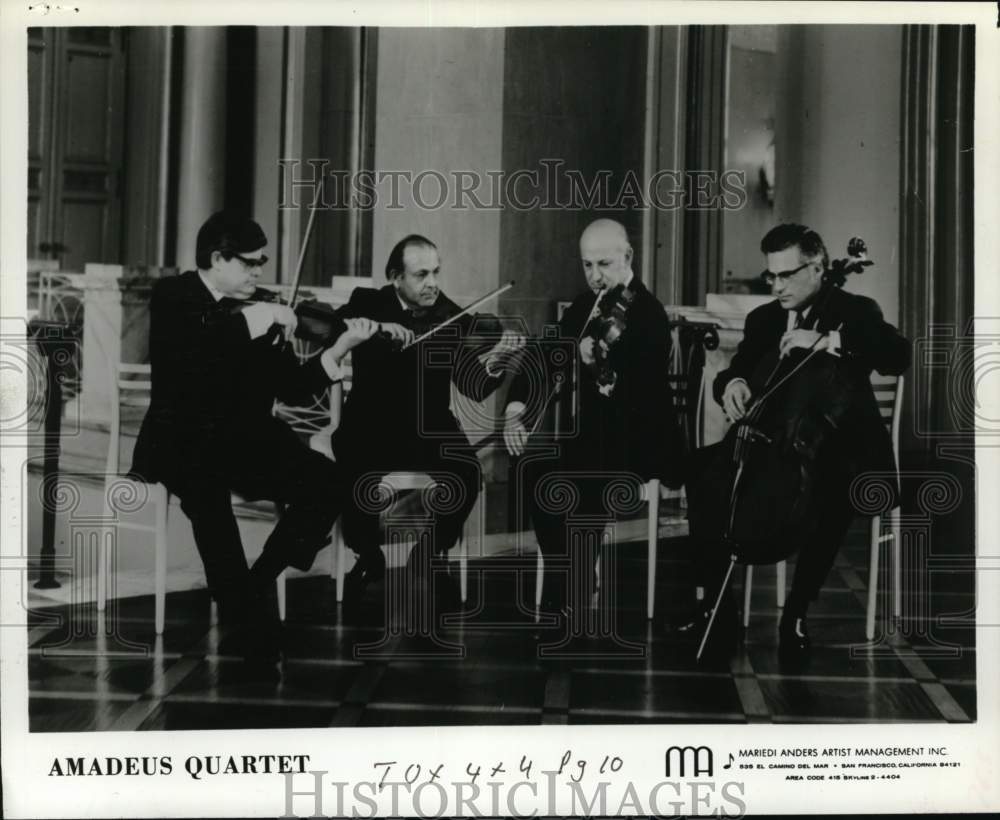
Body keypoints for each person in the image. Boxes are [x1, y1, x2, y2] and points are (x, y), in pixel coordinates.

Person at [131, 211, 394, 676]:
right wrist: (262, 315)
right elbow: (197, 347)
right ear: (217, 259)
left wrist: (338, 349)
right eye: (249, 263)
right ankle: (246, 614)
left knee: (328, 481)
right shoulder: (175, 295)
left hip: (244, 437)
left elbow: (292, 386)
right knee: (208, 498)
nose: (258, 273)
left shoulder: (261, 309)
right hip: (184, 440)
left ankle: (256, 583)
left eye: (260, 263)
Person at [693, 223, 910, 658]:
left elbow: (898, 357)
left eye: (786, 275)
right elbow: (736, 369)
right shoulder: (765, 319)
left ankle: (795, 611)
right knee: (701, 474)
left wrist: (828, 340)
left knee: (831, 492)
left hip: (844, 451)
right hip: (774, 443)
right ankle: (719, 610)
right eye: (770, 276)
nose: (776, 286)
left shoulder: (853, 310)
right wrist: (733, 383)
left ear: (817, 268)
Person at [324, 234, 525, 614]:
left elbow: (475, 386)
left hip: (428, 427)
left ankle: (431, 553)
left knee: (467, 473)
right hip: (371, 423)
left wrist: (497, 356)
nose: (432, 283)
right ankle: (368, 554)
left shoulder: (449, 315)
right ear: (396, 277)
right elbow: (327, 330)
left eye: (436, 272)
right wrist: (372, 329)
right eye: (421, 275)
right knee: (350, 461)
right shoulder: (369, 302)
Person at [503, 218, 684, 625]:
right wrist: (517, 409)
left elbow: (640, 389)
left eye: (604, 264)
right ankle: (571, 574)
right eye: (587, 266)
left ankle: (564, 588)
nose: (595, 276)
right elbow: (543, 355)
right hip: (595, 439)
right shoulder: (586, 308)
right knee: (535, 468)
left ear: (628, 257)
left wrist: (599, 362)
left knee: (584, 470)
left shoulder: (649, 313)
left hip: (642, 439)